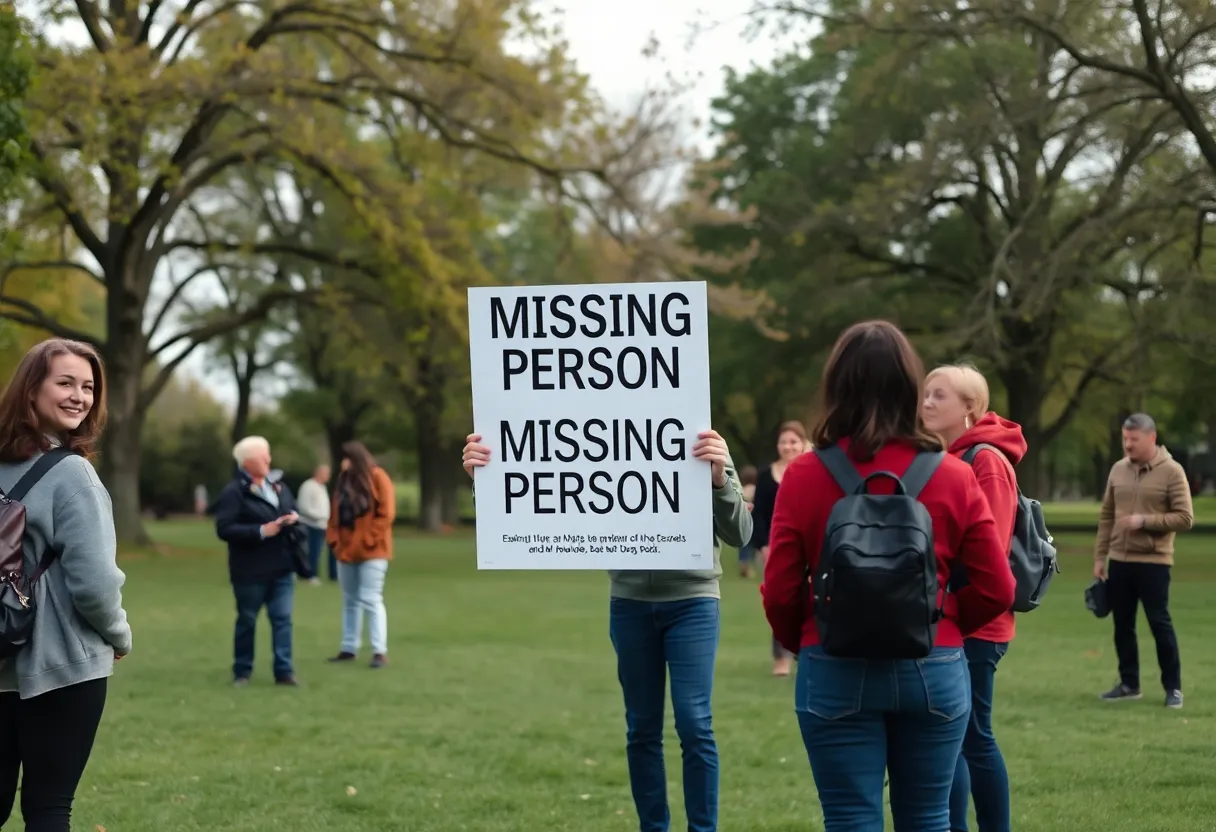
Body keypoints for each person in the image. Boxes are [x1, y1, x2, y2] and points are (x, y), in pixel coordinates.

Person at [762, 321, 1015, 831]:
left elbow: (781, 590)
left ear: (837, 386)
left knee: (851, 819)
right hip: (935, 665)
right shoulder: (953, 473)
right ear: (909, 387)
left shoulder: (805, 476)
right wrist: (942, 623)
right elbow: (997, 587)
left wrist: (807, 641)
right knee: (927, 819)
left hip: (833, 663)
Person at [462, 427, 751, 832]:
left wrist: (719, 479)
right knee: (642, 728)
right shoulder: (604, 436)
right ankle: (653, 827)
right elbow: (553, 489)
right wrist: (487, 481)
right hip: (630, 603)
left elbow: (741, 533)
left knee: (694, 723)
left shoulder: (705, 439)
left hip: (694, 602)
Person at [0, 338, 132, 831]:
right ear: (31, 390)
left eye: (89, 387)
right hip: (59, 664)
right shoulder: (74, 475)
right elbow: (94, 584)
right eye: (65, 383)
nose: (80, 396)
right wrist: (119, 635)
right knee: (49, 805)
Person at [923, 364, 1025, 832]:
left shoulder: (985, 460)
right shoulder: (945, 456)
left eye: (938, 395)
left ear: (969, 407)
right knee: (957, 739)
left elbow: (991, 550)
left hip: (977, 622)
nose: (926, 402)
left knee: (971, 739)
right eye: (925, 393)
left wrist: (952, 608)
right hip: (947, 618)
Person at [1093, 413, 1193, 709]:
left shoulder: (1172, 472)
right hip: (1119, 560)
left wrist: (1144, 521)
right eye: (1125, 438)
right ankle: (1129, 683)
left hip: (1154, 562)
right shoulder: (1117, 470)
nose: (1127, 445)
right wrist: (1100, 556)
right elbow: (1106, 515)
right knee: (1122, 625)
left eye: (1134, 440)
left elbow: (1185, 518)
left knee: (1159, 624)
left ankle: (1173, 688)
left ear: (1151, 438)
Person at [213, 435, 301, 687]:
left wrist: (292, 519)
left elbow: (291, 507)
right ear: (249, 462)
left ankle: (284, 672)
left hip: (282, 566)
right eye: (265, 456)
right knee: (248, 620)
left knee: (283, 619)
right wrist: (262, 531)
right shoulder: (234, 492)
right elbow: (224, 528)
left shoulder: (279, 486)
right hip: (250, 570)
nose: (269, 460)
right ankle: (242, 671)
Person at [327, 441, 396, 669]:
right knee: (350, 599)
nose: (342, 463)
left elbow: (386, 514)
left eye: (345, 458)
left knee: (371, 598)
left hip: (372, 551)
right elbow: (335, 515)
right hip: (346, 551)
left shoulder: (378, 477)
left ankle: (379, 650)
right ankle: (349, 647)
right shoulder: (343, 482)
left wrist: (367, 540)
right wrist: (335, 541)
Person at [750, 421, 809, 676]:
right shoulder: (765, 476)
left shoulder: (811, 472)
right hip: (775, 548)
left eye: (794, 441)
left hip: (808, 547)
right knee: (780, 599)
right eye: (784, 441)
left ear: (803, 444)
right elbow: (759, 515)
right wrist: (763, 545)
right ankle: (781, 657)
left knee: (810, 600)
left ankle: (806, 652)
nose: (788, 446)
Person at [296, 464, 333, 584]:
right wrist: (320, 516)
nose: (328, 476)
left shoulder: (321, 487)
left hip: (321, 525)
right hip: (310, 524)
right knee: (311, 550)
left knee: (317, 551)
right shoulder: (308, 486)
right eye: (325, 473)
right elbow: (304, 507)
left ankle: (312, 573)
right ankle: (309, 575)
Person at [736, 464, 758, 578]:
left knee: (744, 544)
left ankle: (743, 563)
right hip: (754, 520)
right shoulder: (756, 490)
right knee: (754, 545)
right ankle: (754, 564)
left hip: (743, 520)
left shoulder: (741, 490)